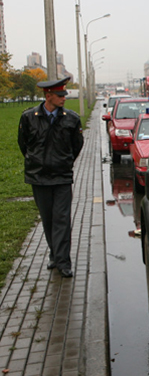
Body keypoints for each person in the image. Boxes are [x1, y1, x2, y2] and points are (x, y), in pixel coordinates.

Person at [17, 77, 84, 278]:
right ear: (48, 96)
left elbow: (77, 145)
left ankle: (64, 262)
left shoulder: (71, 118)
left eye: (64, 94)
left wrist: (65, 162)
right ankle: (54, 255)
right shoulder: (29, 117)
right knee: (47, 219)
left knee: (62, 219)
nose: (64, 98)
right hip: (38, 177)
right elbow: (24, 144)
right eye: (60, 95)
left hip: (62, 177)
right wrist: (35, 161)